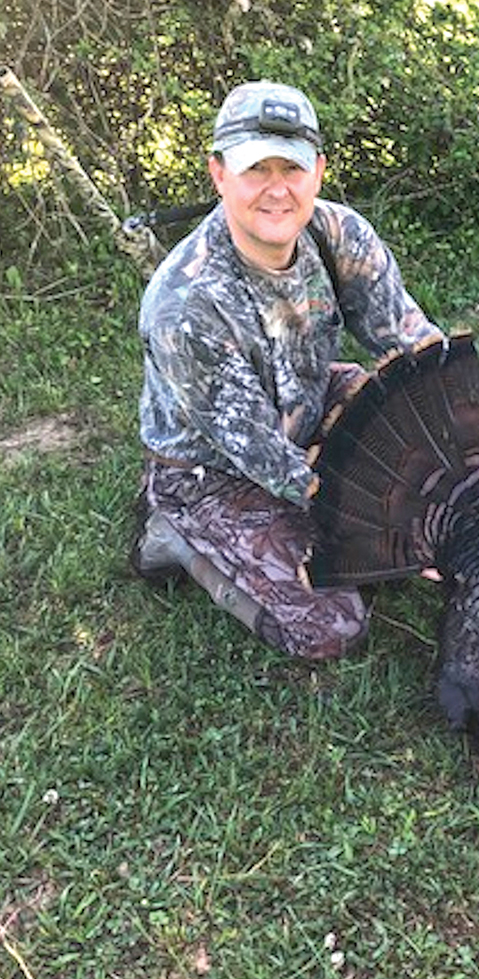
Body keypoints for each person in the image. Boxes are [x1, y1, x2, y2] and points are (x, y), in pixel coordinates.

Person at [131, 80, 444, 659]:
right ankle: (173, 536)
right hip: (215, 472)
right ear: (219, 173)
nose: (277, 190)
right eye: (256, 169)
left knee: (411, 415)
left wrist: (468, 453)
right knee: (330, 625)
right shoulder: (186, 305)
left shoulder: (340, 234)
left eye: (292, 169)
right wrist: (403, 523)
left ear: (318, 171)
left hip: (311, 401)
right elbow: (270, 464)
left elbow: (415, 349)